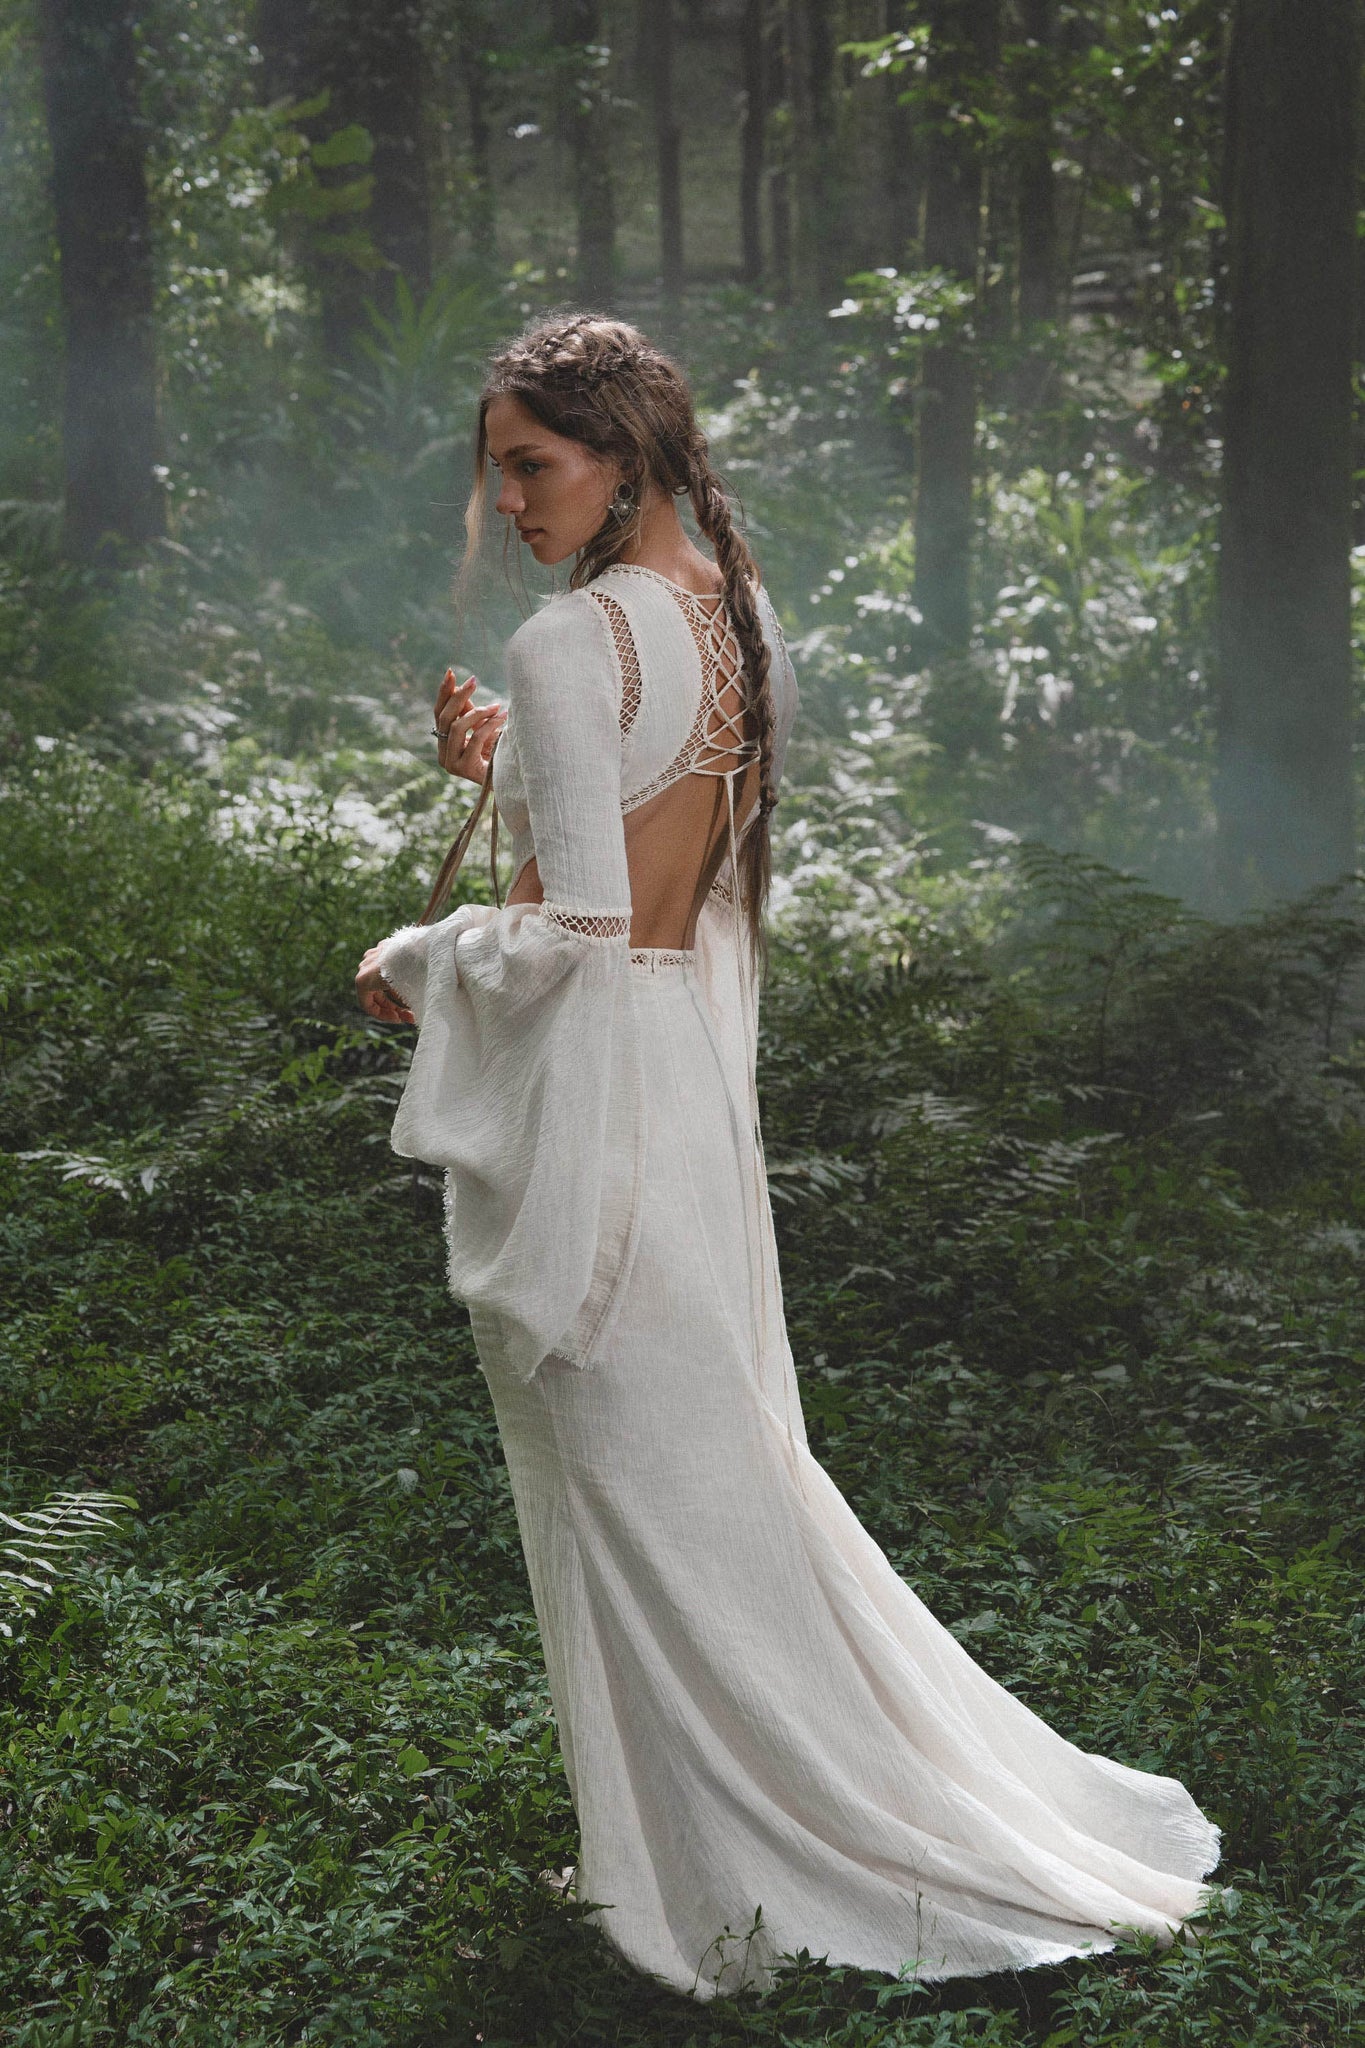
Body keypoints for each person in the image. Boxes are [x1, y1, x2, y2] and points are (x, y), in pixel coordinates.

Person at [354, 315, 1221, 2003]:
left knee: (631, 1481)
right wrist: (509, 765)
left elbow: (575, 929)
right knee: (702, 1467)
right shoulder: (736, 616)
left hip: (600, 1099)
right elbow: (666, 863)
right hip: (679, 1081)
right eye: (496, 471)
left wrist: (412, 955)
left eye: (532, 465)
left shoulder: (566, 638)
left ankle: (734, 1872)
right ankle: (676, 1845)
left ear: (623, 456)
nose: (508, 501)